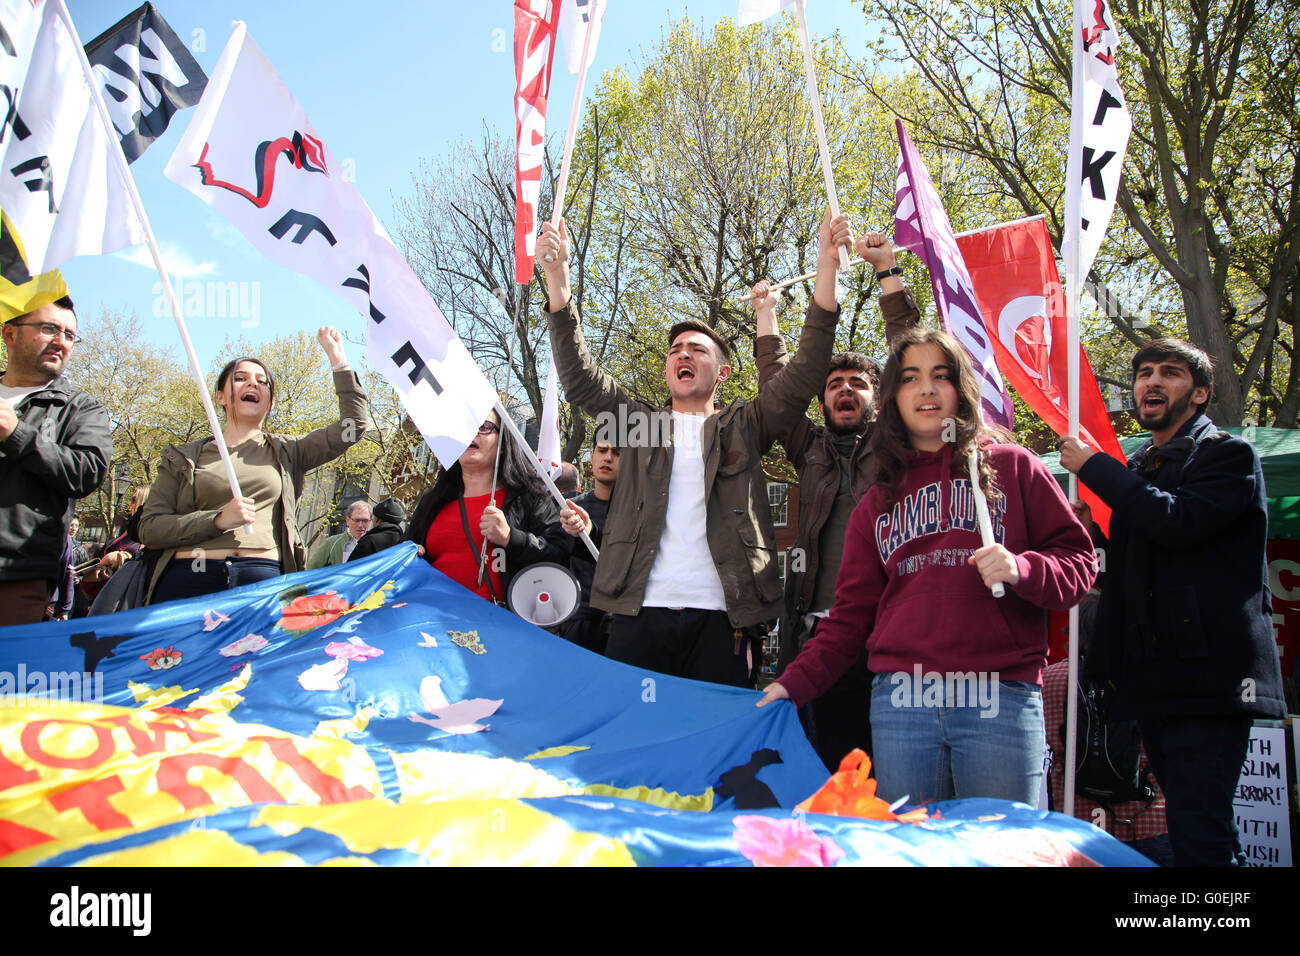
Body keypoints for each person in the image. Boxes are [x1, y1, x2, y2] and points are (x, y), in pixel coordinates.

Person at [759, 327, 1096, 806]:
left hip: (998, 696)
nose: (927, 389)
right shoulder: (875, 502)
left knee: (999, 853)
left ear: (961, 389)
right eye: (911, 378)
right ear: (894, 397)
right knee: (914, 854)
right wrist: (790, 685)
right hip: (902, 706)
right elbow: (847, 621)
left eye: (942, 375)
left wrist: (1023, 569)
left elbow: (1081, 565)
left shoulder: (1013, 467)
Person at [538, 209, 851, 687]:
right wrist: (557, 279)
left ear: (722, 373)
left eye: (698, 349)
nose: (683, 353)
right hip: (637, 613)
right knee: (634, 749)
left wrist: (827, 267)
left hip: (724, 620)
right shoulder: (639, 427)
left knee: (714, 755)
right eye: (676, 349)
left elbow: (806, 370)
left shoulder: (746, 424)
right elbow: (581, 379)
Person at [1059, 337, 1285, 866]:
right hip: (1156, 681)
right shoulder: (1142, 467)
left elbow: (1179, 522)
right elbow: (1139, 568)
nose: (1151, 382)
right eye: (1142, 374)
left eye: (1170, 373)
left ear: (1202, 393)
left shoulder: (1229, 456)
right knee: (1198, 833)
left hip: (1209, 681)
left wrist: (1096, 467)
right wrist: (1093, 538)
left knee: (1200, 831)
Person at [754, 232, 920, 771]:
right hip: (821, 635)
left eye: (858, 383)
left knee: (895, 769)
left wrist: (888, 274)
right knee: (833, 768)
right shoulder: (809, 450)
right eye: (834, 385)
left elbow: (911, 357)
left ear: (880, 395)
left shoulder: (898, 444)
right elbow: (778, 388)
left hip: (895, 630)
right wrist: (767, 316)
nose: (844, 390)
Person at [139, 327, 367, 604]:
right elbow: (150, 528)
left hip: (261, 582)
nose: (253, 384)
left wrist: (338, 359)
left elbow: (352, 427)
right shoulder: (181, 457)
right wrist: (217, 520)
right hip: (189, 580)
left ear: (270, 403)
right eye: (240, 378)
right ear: (220, 396)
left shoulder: (290, 451)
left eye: (262, 382)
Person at [0, 296, 111, 627]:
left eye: (69, 335)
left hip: (15, 576)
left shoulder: (81, 409)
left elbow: (87, 471)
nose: (61, 341)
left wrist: (16, 434)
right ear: (10, 334)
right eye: (50, 328)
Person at [407, 408, 569, 605]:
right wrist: (411, 553)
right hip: (432, 619)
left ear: (502, 445)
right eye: (465, 428)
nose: (471, 433)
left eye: (484, 427)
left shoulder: (530, 498)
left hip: (500, 625)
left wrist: (511, 538)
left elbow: (560, 556)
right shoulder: (432, 502)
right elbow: (401, 554)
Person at [558, 438, 620, 653]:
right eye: (602, 450)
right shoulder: (569, 510)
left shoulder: (642, 513)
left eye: (617, 452)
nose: (608, 458)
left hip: (625, 625)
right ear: (591, 456)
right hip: (579, 625)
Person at [307, 500, 373, 569]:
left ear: (370, 521)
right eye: (356, 520)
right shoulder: (331, 544)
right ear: (347, 521)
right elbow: (310, 572)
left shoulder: (375, 544)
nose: (360, 525)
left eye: (365, 520)